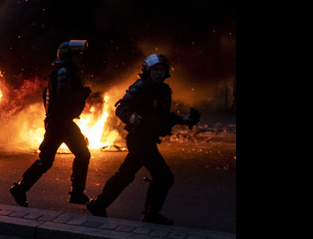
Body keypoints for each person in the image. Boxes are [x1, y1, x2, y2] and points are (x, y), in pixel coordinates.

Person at [86, 54, 199, 225]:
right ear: (148, 70)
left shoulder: (162, 90)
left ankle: (99, 204)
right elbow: (122, 108)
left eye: (162, 70)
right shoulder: (141, 86)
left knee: (125, 175)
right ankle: (151, 214)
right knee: (164, 176)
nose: (159, 73)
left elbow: (161, 116)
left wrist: (183, 120)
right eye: (155, 70)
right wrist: (131, 117)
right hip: (139, 139)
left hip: (148, 139)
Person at [10, 40, 93, 207]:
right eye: (77, 55)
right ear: (69, 56)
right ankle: (20, 188)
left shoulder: (64, 71)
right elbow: (63, 99)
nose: (80, 59)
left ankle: (76, 193)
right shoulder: (64, 73)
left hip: (63, 122)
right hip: (59, 123)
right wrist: (82, 94)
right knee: (47, 159)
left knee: (82, 154)